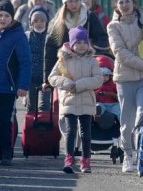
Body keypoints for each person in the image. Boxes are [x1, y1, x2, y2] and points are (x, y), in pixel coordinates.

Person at [107, 0, 143, 173]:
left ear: (134, 3)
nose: (125, 5)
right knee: (127, 121)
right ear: (116, 5)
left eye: (128, 1)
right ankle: (128, 156)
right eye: (121, 2)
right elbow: (120, 53)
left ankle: (142, 155)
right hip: (125, 78)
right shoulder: (113, 26)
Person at [0, 0, 31, 166]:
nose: (2, 18)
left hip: (8, 86)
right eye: (0, 15)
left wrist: (23, 85)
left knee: (4, 121)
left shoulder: (18, 36)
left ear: (12, 18)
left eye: (6, 15)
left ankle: (6, 152)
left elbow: (25, 62)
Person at [48, 26, 103, 174]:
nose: (82, 46)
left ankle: (85, 160)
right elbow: (52, 77)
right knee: (70, 131)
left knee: (86, 133)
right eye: (78, 42)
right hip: (69, 100)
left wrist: (79, 85)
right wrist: (65, 83)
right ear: (71, 44)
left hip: (86, 100)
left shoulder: (92, 61)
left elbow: (98, 79)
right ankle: (69, 158)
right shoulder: (63, 60)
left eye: (84, 42)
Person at [42, 0, 110, 91]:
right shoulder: (58, 21)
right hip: (65, 71)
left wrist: (90, 50)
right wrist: (47, 80)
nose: (74, 4)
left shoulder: (89, 17)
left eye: (77, 1)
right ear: (65, 3)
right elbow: (50, 49)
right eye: (70, 1)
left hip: (86, 69)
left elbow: (102, 39)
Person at [23, 5, 50, 113]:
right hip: (31, 77)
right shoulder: (27, 36)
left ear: (46, 22)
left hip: (46, 77)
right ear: (31, 23)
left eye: (42, 21)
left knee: (45, 106)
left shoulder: (50, 37)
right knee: (31, 107)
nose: (39, 23)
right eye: (36, 21)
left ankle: (44, 128)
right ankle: (31, 128)